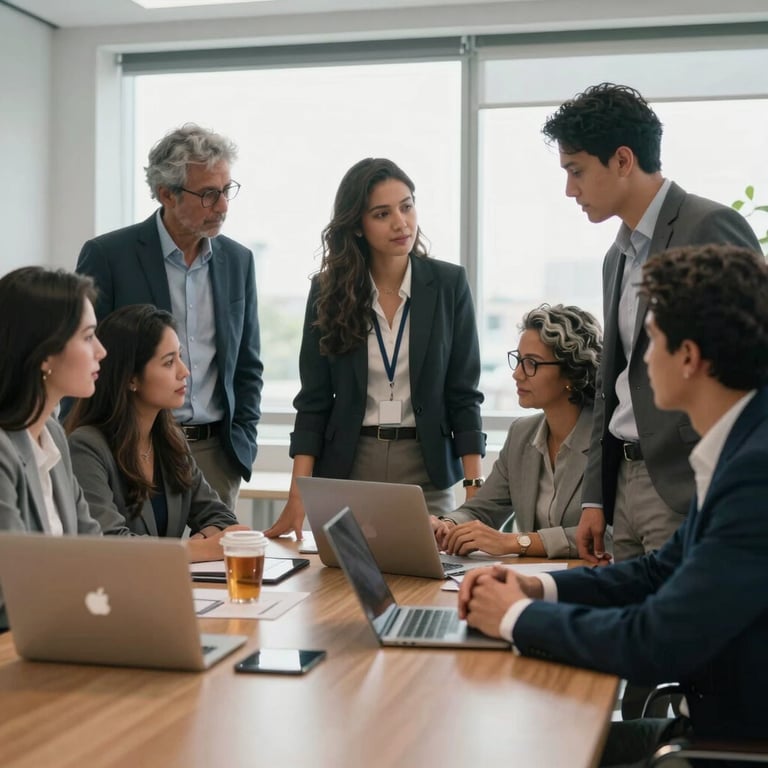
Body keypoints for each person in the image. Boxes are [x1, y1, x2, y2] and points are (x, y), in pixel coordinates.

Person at [458, 244, 768, 765]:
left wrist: (517, 617)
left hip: (728, 746)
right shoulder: (739, 446)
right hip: (712, 726)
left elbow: (653, 641)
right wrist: (539, 586)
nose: (637, 364)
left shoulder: (754, 473)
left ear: (689, 357)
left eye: (650, 342)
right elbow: (654, 573)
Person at [542, 83, 763, 567]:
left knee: (677, 633)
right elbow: (612, 382)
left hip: (686, 482)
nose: (569, 189)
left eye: (576, 171)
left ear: (622, 160)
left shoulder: (707, 226)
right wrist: (596, 497)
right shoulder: (614, 257)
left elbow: (750, 359)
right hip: (624, 482)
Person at [266, 158, 486, 539]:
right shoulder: (328, 291)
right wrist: (297, 496)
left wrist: (474, 491)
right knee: (344, 587)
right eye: (382, 214)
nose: (401, 223)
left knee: (432, 581)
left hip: (427, 467)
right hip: (350, 464)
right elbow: (314, 402)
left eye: (407, 205)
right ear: (357, 225)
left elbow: (463, 394)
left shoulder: (449, 284)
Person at [76, 123, 262, 509]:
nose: (223, 206)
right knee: (135, 562)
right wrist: (84, 446)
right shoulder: (109, 256)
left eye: (226, 191)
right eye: (209, 194)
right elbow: (83, 356)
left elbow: (247, 363)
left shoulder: (238, 261)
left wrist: (242, 439)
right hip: (130, 448)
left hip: (215, 454)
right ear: (167, 194)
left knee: (215, 563)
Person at [66, 305, 247, 562]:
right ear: (131, 379)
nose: (185, 371)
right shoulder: (86, 446)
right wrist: (198, 549)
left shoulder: (169, 440)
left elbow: (221, 516)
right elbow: (107, 541)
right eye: (169, 362)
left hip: (164, 584)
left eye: (180, 357)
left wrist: (196, 544)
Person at [433, 304, 602, 559]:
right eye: (519, 360)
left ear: (571, 372)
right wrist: (447, 525)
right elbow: (482, 510)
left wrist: (516, 542)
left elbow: (608, 534)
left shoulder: (606, 440)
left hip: (589, 580)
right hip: (531, 580)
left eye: (531, 363)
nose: (517, 374)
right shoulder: (522, 435)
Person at [0, 267, 104, 630]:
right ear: (44, 354)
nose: (101, 352)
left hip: (58, 632)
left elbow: (91, 546)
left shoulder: (54, 435)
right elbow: (9, 585)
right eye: (88, 337)